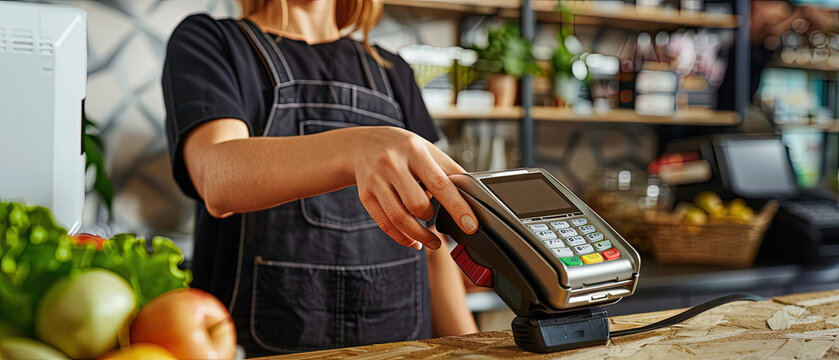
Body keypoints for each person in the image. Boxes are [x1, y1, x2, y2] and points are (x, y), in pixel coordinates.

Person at [162, 0, 479, 356]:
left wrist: (471, 349)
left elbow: (432, 243)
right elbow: (217, 178)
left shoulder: (392, 71)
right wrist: (356, 148)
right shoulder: (212, 41)